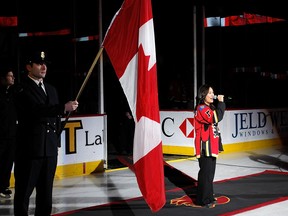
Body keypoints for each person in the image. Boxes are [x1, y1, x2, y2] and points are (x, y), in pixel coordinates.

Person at [13, 50, 79, 216]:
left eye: (45, 64)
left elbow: (55, 118)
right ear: (29, 67)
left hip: (49, 149)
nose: (43, 67)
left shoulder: (51, 89)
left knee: (46, 193)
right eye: (38, 63)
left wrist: (55, 141)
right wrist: (63, 107)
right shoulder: (21, 89)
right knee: (24, 193)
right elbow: (36, 110)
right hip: (30, 150)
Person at [194, 84, 226, 208]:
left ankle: (208, 196)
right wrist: (221, 103)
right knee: (205, 173)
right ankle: (203, 199)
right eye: (210, 93)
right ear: (203, 95)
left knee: (210, 173)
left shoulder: (209, 107)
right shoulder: (202, 108)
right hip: (205, 146)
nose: (213, 95)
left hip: (211, 145)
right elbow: (215, 117)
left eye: (213, 92)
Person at [0, 65, 17, 199]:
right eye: (10, 76)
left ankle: (4, 185)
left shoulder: (12, 94)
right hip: (1, 135)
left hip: (11, 135)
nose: (13, 78)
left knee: (8, 161)